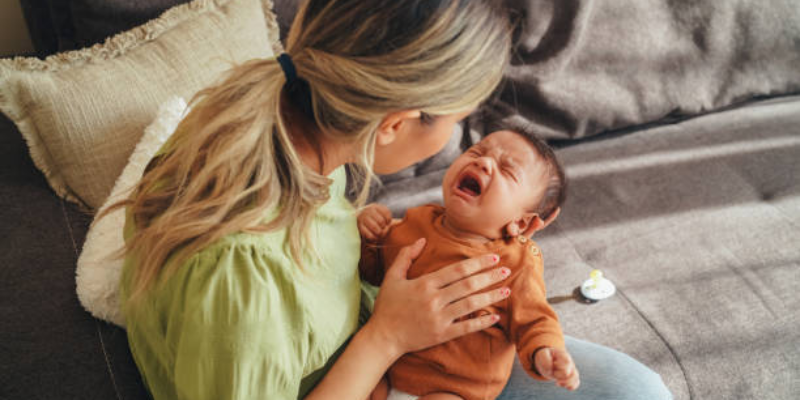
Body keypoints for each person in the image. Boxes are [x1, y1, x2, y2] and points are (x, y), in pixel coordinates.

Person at [103, 1, 673, 399]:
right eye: (458, 123)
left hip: (389, 336)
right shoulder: (241, 280)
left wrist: (360, 234)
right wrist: (389, 337)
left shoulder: (277, 116)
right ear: (396, 125)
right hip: (360, 365)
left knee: (636, 390)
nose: (462, 146)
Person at [357, 129, 577, 400]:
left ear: (521, 223)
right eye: (477, 151)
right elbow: (373, 271)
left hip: (453, 387)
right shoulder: (418, 221)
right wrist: (368, 234)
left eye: (507, 170)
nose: (483, 163)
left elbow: (535, 319)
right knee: (359, 385)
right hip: (386, 366)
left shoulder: (517, 264)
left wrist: (546, 352)